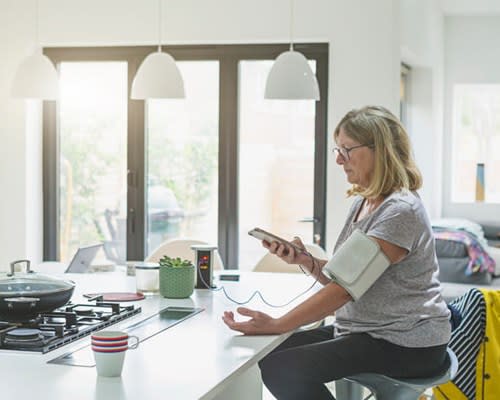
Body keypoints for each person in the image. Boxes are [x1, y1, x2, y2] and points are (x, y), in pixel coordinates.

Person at [222, 106, 451, 399]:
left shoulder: (400, 211)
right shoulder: (364, 203)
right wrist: (306, 261)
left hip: (406, 341)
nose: (339, 159)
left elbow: (343, 291)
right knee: (268, 353)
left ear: (378, 150)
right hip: (366, 331)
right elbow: (347, 277)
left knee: (284, 367)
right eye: (337, 149)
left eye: (347, 149)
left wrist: (279, 323)